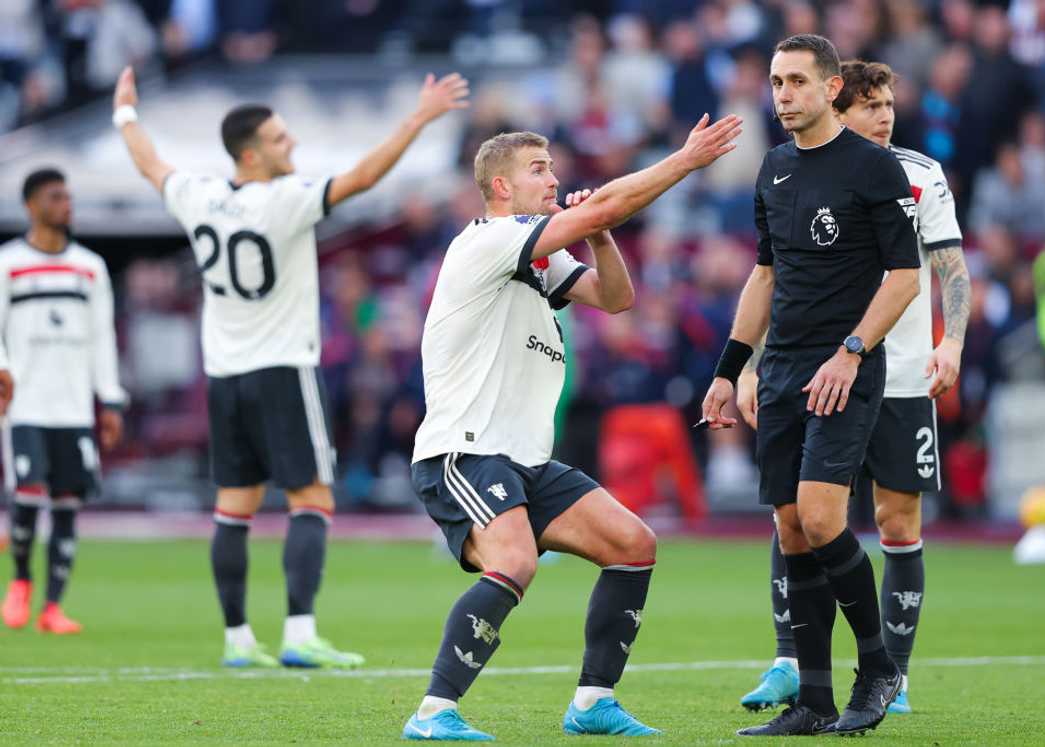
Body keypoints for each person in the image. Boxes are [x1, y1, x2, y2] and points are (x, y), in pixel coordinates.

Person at [112, 65, 469, 668]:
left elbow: (148, 161)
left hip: (224, 376)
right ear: (250, 154)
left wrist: (125, 112)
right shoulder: (285, 200)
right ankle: (300, 632)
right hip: (282, 369)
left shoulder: (196, 194)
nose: (292, 146)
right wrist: (419, 117)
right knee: (311, 499)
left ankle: (236, 640)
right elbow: (362, 177)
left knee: (234, 507)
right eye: (280, 139)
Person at [404, 116, 742, 741]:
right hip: (468, 450)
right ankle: (433, 713)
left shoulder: (539, 257)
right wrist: (685, 161)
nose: (555, 178)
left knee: (634, 545)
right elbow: (604, 202)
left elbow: (616, 299)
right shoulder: (486, 240)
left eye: (553, 166)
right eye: (539, 169)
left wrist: (604, 237)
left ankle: (592, 702)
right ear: (500, 187)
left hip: (524, 459)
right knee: (516, 561)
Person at [736, 59, 971, 717]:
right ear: (840, 107)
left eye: (890, 103)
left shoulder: (922, 174)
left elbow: (949, 265)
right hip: (812, 369)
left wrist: (950, 341)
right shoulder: (796, 170)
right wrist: (750, 363)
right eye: (871, 105)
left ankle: (891, 671)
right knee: (799, 515)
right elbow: (771, 276)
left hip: (897, 374)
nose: (885, 115)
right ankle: (792, 663)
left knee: (896, 519)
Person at [701, 34, 920, 737]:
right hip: (786, 369)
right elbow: (765, 276)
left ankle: (880, 665)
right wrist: (731, 369)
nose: (782, 94)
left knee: (824, 518)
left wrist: (853, 352)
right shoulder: (773, 169)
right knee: (792, 530)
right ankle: (816, 701)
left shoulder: (873, 167)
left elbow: (906, 277)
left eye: (796, 81)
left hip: (844, 368)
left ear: (830, 89)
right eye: (775, 82)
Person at [0, 168, 127, 634]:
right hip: (26, 404)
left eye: (69, 197)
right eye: (56, 197)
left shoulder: (89, 267)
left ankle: (53, 607)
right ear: (32, 205)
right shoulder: (8, 262)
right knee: (28, 495)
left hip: (73, 407)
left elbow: (102, 337)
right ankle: (19, 584)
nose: (66, 205)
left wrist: (110, 401)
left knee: (68, 502)